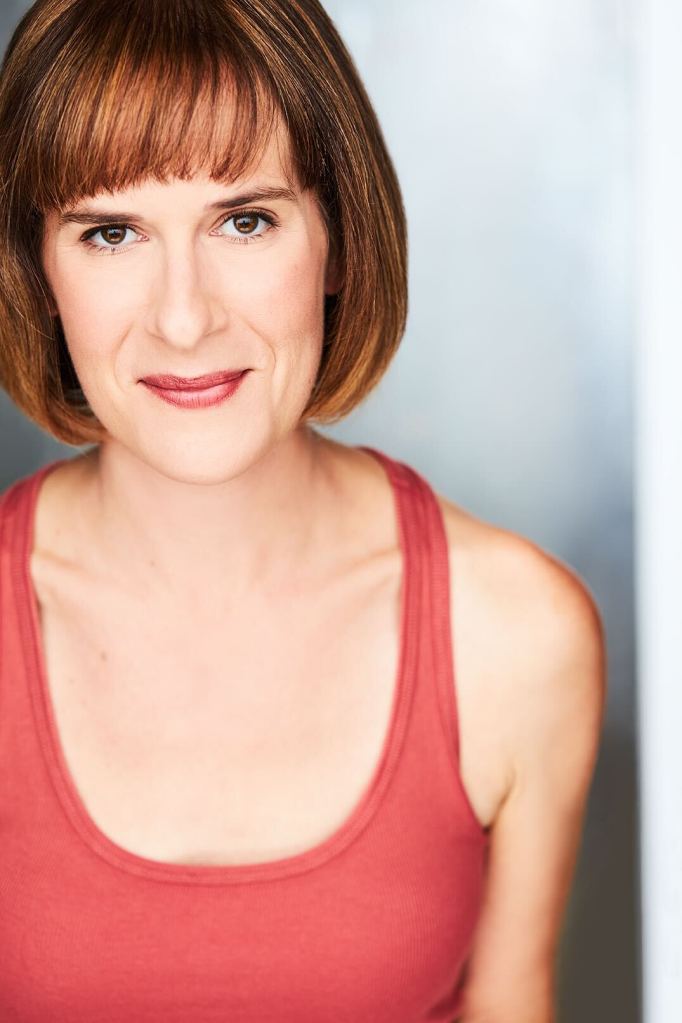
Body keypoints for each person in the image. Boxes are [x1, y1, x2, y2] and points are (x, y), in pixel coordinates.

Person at [0, 1, 606, 1021]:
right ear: (38, 273)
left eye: (245, 219)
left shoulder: (513, 637)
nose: (185, 317)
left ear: (335, 234)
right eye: (111, 232)